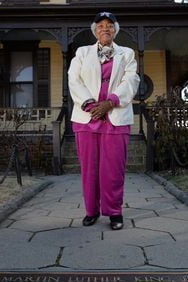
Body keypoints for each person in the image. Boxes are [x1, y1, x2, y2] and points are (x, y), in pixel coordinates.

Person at [68, 11, 140, 230]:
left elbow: (131, 81)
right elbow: (74, 79)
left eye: (110, 25)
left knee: (113, 169)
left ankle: (114, 212)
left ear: (115, 30)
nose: (105, 29)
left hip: (115, 118)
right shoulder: (81, 53)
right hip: (86, 118)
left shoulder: (126, 54)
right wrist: (91, 105)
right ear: (95, 30)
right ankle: (91, 211)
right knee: (89, 169)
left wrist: (110, 102)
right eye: (100, 26)